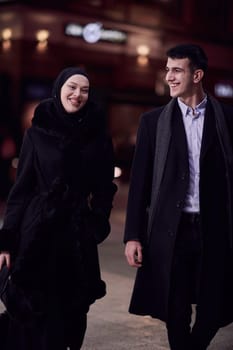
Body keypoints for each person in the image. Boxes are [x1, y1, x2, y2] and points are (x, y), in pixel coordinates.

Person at [124, 43, 233, 350]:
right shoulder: (153, 122)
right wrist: (133, 235)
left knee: (214, 309)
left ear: (197, 75)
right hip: (171, 230)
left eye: (176, 70)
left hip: (216, 229)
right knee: (176, 309)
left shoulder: (226, 118)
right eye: (167, 69)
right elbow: (140, 184)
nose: (168, 77)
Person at [0, 67, 117, 350]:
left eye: (85, 90)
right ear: (58, 89)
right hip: (37, 232)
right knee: (36, 313)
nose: (78, 95)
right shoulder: (37, 134)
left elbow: (105, 187)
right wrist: (7, 241)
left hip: (77, 235)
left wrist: (97, 221)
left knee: (74, 313)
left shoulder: (98, 136)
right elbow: (22, 191)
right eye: (72, 87)